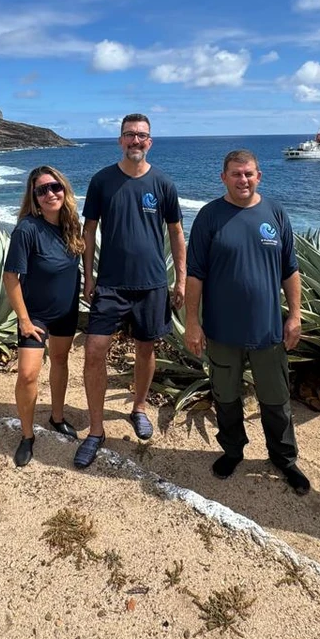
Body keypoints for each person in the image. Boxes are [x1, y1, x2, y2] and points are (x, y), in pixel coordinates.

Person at [184, 150, 310, 495]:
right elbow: (195, 274)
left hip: (268, 330)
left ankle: (284, 459)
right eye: (236, 174)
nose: (243, 180)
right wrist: (192, 323)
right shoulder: (210, 216)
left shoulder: (275, 213)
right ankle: (233, 451)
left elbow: (290, 270)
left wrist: (295, 315)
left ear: (259, 176)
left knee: (276, 399)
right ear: (223, 177)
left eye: (249, 174)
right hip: (222, 330)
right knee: (226, 396)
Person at [76, 113, 186, 468]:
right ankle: (96, 430)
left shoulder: (163, 183)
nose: (135, 140)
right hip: (110, 283)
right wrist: (88, 276)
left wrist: (181, 280)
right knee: (94, 351)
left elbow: (176, 233)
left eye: (141, 135)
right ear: (120, 140)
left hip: (152, 284)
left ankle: (139, 408)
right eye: (129, 134)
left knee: (146, 349)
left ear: (149, 142)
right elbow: (88, 230)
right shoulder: (102, 180)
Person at [2, 166, 85, 467]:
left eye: (55, 187)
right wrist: (24, 320)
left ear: (64, 190)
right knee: (27, 374)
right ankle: (27, 435)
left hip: (66, 311)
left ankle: (57, 417)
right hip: (34, 315)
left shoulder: (71, 225)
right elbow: (10, 277)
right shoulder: (27, 229)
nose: (50, 194)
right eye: (42, 190)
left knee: (60, 362)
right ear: (34, 197)